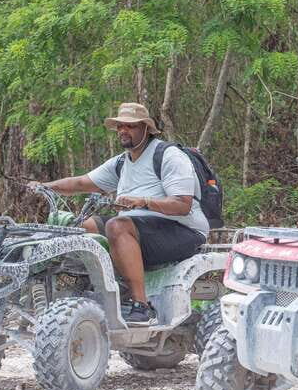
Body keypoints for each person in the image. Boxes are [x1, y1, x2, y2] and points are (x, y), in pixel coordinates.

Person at [31, 103, 209, 323]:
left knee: (117, 226)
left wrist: (143, 202)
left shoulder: (168, 155)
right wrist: (46, 186)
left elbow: (182, 204)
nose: (124, 131)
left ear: (146, 128)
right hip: (142, 229)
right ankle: (91, 288)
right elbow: (81, 182)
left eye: (131, 126)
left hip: (183, 230)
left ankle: (141, 305)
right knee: (83, 227)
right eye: (120, 126)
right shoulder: (122, 162)